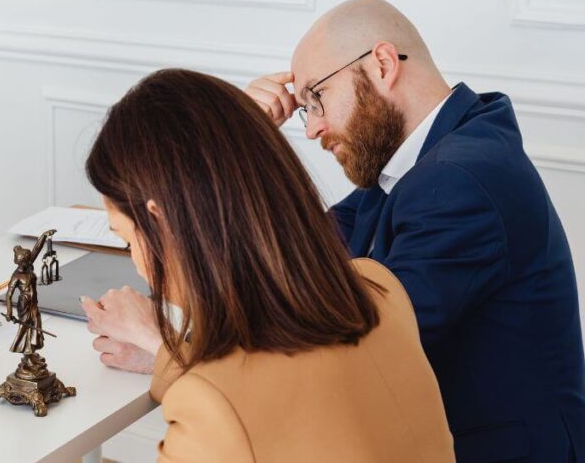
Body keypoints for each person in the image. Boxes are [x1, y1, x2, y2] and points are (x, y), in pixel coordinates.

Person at [93, 0, 585, 461]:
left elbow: (344, 356)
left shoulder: (458, 182)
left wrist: (164, 343)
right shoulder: (419, 163)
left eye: (317, 97)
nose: (309, 128)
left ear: (383, 65)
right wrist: (239, 150)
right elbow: (302, 253)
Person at [79, 68, 454, 461]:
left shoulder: (215, 409)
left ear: (161, 219)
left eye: (126, 239)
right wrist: (161, 348)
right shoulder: (378, 287)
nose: (136, 264)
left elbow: (236, 408)